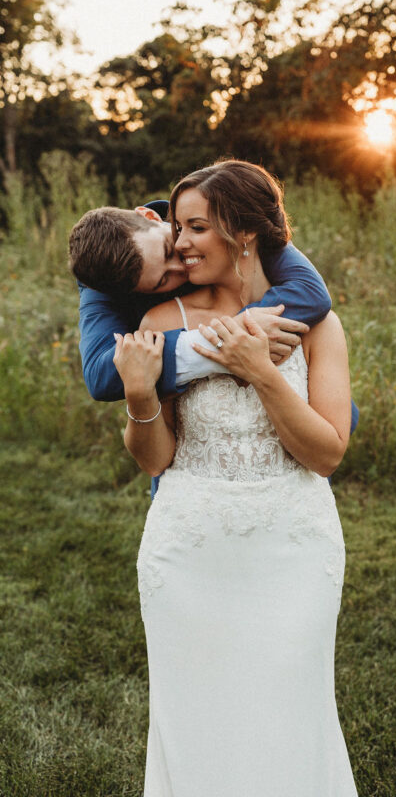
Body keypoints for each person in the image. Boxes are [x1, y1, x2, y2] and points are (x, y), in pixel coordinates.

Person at [112, 159, 357, 796]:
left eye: (196, 227)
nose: (179, 241)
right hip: (190, 548)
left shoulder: (317, 325)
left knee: (290, 714)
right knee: (195, 722)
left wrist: (263, 372)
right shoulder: (163, 323)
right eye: (177, 226)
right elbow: (154, 459)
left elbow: (327, 455)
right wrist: (140, 396)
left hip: (293, 546)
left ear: (243, 232)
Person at [69, 199, 358, 495]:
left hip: (294, 467)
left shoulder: (213, 219)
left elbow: (310, 292)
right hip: (194, 477)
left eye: (169, 250)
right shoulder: (105, 281)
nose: (179, 267)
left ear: (149, 215)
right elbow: (99, 374)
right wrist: (225, 343)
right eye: (162, 281)